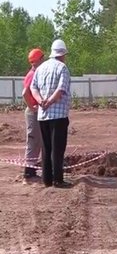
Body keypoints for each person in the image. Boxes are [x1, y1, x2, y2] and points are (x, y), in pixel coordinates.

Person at [30, 39, 72, 188]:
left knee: (46, 148)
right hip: (58, 115)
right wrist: (50, 101)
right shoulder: (62, 68)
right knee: (57, 148)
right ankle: (58, 180)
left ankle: (46, 179)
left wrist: (41, 101)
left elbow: (32, 88)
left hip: (43, 115)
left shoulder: (41, 68)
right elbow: (60, 90)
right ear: (62, 54)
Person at [21, 48, 45, 182]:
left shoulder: (35, 72)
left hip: (34, 111)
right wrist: (32, 107)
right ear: (39, 59)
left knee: (37, 142)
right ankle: (28, 174)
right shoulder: (32, 74)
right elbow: (25, 93)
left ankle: (32, 171)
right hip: (32, 112)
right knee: (33, 141)